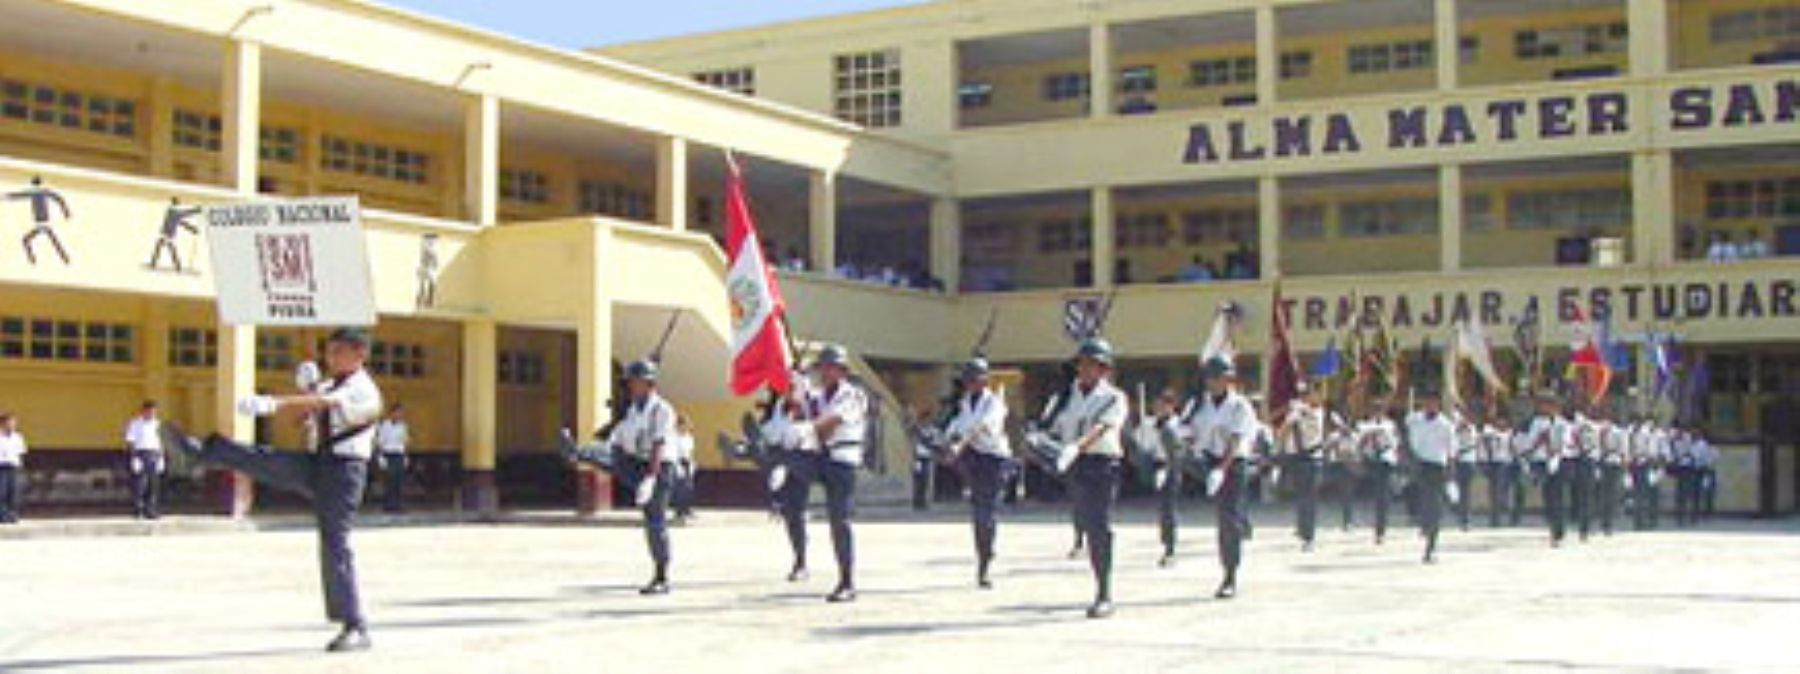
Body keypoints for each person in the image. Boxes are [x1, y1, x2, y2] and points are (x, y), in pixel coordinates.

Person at [159, 327, 383, 652]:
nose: (331, 358)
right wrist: (304, 401)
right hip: (318, 463)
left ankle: (355, 625)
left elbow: (324, 402)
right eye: (329, 351)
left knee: (335, 543)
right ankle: (199, 453)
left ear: (359, 354)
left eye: (338, 352)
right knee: (262, 459)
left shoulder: (364, 390)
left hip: (345, 473)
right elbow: (303, 418)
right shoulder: (331, 384)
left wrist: (273, 403)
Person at [1044, 338, 1127, 618]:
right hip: (1074, 464)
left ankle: (1104, 592)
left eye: (1093, 365)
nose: (1085, 370)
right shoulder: (1066, 396)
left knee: (1099, 526)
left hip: (1101, 463)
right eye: (1082, 364)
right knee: (1085, 523)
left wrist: (1076, 447)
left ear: (1104, 369)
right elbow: (1049, 428)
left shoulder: (1113, 397)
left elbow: (1102, 427)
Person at [799, 345, 869, 603]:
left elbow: (829, 426)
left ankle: (847, 581)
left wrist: (803, 430)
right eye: (822, 367)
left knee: (839, 521)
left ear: (842, 370)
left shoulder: (853, 396)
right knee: (784, 456)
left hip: (842, 460)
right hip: (821, 455)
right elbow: (802, 412)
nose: (825, 372)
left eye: (830, 367)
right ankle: (765, 457)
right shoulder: (818, 396)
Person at [1190, 355, 1257, 599]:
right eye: (1210, 378)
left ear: (1229, 379)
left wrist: (1221, 469)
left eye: (1219, 378)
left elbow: (1236, 439)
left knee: (1227, 522)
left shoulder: (1240, 406)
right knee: (1225, 516)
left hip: (1233, 463)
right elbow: (1189, 430)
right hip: (1206, 460)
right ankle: (1241, 519)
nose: (1214, 383)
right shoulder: (1200, 404)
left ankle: (1230, 575)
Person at [943, 357, 1011, 589]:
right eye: (968, 381)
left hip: (992, 459)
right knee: (977, 512)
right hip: (972, 458)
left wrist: (958, 446)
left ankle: (985, 562)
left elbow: (981, 427)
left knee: (986, 513)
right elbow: (956, 427)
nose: (972, 384)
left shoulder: (995, 402)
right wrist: (947, 440)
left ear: (985, 381)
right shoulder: (964, 403)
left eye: (976, 380)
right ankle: (983, 554)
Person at [1405, 390, 1454, 564]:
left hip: (1436, 466)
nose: (1430, 406)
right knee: (1419, 499)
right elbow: (1407, 437)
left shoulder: (1445, 424)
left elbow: (1451, 450)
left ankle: (1431, 545)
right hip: (1419, 463)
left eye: (1433, 403)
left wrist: (1450, 473)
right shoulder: (1415, 419)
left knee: (1434, 504)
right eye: (1427, 402)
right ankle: (1424, 524)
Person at [1277, 383, 1326, 552]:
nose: (1306, 397)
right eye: (1303, 395)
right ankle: (1302, 528)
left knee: (1310, 499)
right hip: (1297, 459)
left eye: (1308, 394)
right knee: (1301, 497)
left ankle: (1309, 537)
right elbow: (1282, 432)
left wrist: (1298, 410)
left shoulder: (1318, 412)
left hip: (1313, 458)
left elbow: (1313, 421)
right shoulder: (1296, 413)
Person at [1523, 393, 1570, 547]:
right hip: (1542, 461)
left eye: (1547, 405)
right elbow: (1530, 442)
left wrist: (1552, 446)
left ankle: (1558, 531)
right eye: (1542, 405)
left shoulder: (1563, 424)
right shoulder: (1537, 422)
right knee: (1548, 498)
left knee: (1558, 497)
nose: (1544, 408)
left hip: (1559, 461)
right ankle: (1552, 527)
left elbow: (1565, 443)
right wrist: (1538, 442)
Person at [1149, 388, 1188, 567]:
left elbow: (1178, 451)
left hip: (1171, 469)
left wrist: (1166, 469)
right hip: (1156, 466)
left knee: (1168, 510)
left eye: (1163, 405)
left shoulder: (1175, 425)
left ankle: (1170, 548)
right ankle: (1165, 543)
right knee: (1162, 510)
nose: (1159, 408)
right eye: (1157, 405)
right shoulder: (1152, 424)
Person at [1357, 402, 1399, 545]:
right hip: (1371, 461)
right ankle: (1375, 525)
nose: (1377, 413)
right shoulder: (1365, 425)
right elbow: (1360, 443)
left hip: (1385, 461)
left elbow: (1395, 443)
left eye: (1380, 410)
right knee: (1373, 496)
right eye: (1375, 410)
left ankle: (1380, 530)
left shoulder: (1390, 425)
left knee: (1382, 498)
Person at [8, 176, 72, 265]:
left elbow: (18, 195)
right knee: (52, 240)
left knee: (27, 240)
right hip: (43, 222)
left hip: (41, 222)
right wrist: (66, 212)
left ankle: (33, 260)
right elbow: (59, 199)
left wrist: (66, 212)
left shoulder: (36, 192)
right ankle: (65, 258)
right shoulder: (44, 192)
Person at [121, 401, 167, 520]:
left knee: (154, 485)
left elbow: (160, 441)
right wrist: (134, 457)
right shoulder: (135, 424)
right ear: (143, 411)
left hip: (154, 454)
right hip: (141, 454)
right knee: (140, 484)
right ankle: (138, 510)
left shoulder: (158, 424)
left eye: (154, 411)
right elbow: (130, 441)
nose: (152, 413)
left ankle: (151, 510)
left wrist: (161, 457)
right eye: (149, 411)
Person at [148, 197, 203, 272]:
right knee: (169, 248)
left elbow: (180, 222)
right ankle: (176, 266)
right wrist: (197, 210)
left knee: (163, 247)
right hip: (168, 233)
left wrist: (192, 229)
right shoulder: (174, 212)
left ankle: (155, 263)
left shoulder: (171, 211)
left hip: (166, 233)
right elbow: (184, 215)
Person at [1628, 416, 1663, 531]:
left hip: (1647, 466)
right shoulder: (1632, 435)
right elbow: (1629, 451)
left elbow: (1653, 454)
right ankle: (1638, 522)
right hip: (1635, 467)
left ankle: (1647, 520)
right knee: (1637, 495)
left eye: (1638, 424)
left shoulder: (1651, 436)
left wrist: (1653, 465)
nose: (1636, 426)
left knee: (1647, 495)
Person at [1596, 411, 1628, 537]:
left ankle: (1608, 524)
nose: (1604, 422)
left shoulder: (1619, 433)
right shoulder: (1598, 431)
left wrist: (1625, 468)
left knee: (1611, 495)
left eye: (1606, 419)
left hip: (1614, 464)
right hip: (1601, 463)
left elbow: (1624, 451)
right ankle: (1602, 521)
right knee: (1601, 494)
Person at [374, 404, 410, 514]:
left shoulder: (403, 426)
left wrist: (405, 456)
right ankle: (388, 505)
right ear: (392, 413)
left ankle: (399, 505)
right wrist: (380, 456)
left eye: (402, 412)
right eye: (398, 412)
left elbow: (405, 441)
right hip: (388, 454)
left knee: (399, 481)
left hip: (399, 454)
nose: (400, 415)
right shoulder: (384, 426)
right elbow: (379, 442)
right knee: (390, 481)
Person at [1480, 416, 1514, 527]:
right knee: (1493, 491)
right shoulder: (1490, 432)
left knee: (1500, 490)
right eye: (1499, 420)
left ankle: (1500, 514)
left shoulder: (1509, 433)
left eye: (1503, 420)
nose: (1501, 422)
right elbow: (1485, 444)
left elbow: (1512, 448)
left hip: (1504, 463)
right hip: (1493, 462)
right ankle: (1495, 518)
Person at [1451, 412, 1480, 532]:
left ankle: (1465, 519)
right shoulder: (1454, 430)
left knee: (1466, 492)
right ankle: (1460, 514)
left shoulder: (1471, 429)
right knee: (1456, 490)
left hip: (1468, 462)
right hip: (1456, 462)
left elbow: (1472, 444)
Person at [671, 415, 699, 524]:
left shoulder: (689, 438)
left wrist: (692, 463)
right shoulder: (674, 438)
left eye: (687, 425)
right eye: (683, 425)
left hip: (687, 462)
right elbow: (673, 452)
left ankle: (687, 509)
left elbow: (690, 453)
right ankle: (679, 512)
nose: (686, 427)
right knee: (679, 488)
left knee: (689, 487)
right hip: (677, 462)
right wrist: (677, 465)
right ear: (678, 425)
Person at [0, 412, 24, 524]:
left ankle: (13, 515)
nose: (13, 425)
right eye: (10, 422)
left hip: (14, 466)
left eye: (14, 423)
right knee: (2, 492)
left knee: (14, 492)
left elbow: (20, 453)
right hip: (2, 466)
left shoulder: (18, 437)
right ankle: (2, 516)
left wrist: (20, 468)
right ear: (3, 424)